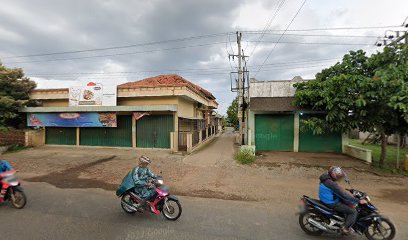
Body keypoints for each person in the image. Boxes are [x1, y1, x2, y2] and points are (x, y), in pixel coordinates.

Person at [319, 166, 367, 235]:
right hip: (331, 202)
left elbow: (338, 189)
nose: (339, 178)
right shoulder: (331, 183)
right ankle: (344, 228)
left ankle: (344, 220)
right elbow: (343, 195)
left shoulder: (326, 178)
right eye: (338, 176)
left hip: (326, 198)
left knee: (348, 204)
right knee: (353, 211)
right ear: (333, 175)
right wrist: (358, 201)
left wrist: (348, 191)